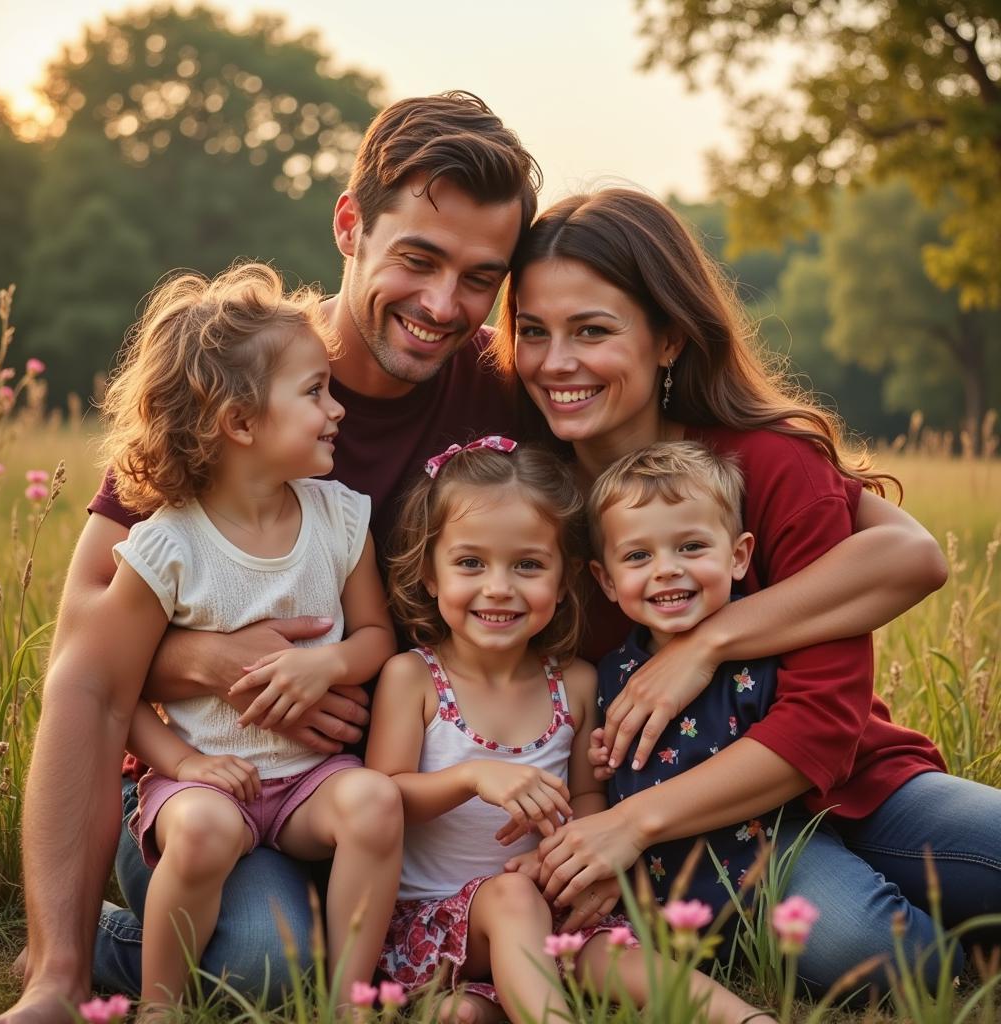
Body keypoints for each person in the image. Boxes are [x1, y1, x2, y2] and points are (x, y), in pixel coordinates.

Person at [0, 91, 537, 1024]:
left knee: (292, 952)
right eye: (418, 259)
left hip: (361, 800)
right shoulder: (234, 384)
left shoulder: (505, 399)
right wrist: (200, 658)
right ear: (349, 225)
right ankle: (69, 964)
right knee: (259, 964)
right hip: (206, 779)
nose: (445, 305)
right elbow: (86, 670)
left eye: (481, 278)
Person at [490, 187, 1001, 993]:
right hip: (702, 838)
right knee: (873, 953)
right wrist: (607, 831)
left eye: (592, 330)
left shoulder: (761, 465)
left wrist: (708, 642)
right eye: (533, 332)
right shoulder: (526, 516)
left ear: (667, 339)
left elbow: (826, 720)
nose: (557, 363)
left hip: (855, 785)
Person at [367, 438, 775, 1024]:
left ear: (563, 583)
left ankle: (748, 1019)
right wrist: (473, 776)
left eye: (528, 565)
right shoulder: (413, 678)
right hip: (433, 923)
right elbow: (384, 799)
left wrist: (569, 859)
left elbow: (587, 797)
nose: (499, 587)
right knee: (505, 907)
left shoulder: (576, 684)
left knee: (609, 959)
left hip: (550, 904)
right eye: (470, 563)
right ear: (429, 575)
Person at [99, 262, 402, 1015]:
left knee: (373, 804)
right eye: (314, 393)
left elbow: (376, 639)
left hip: (307, 784)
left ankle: (348, 1002)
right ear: (239, 422)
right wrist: (187, 762)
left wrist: (327, 663)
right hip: (202, 784)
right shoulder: (167, 544)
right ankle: (162, 1003)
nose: (337, 409)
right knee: (201, 830)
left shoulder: (339, 519)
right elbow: (119, 687)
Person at [586, 440, 799, 908]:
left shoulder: (762, 651)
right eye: (638, 556)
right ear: (606, 580)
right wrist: (602, 761)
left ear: (739, 556)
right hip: (660, 895)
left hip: (769, 879)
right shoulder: (611, 672)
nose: (667, 569)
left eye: (692, 547)